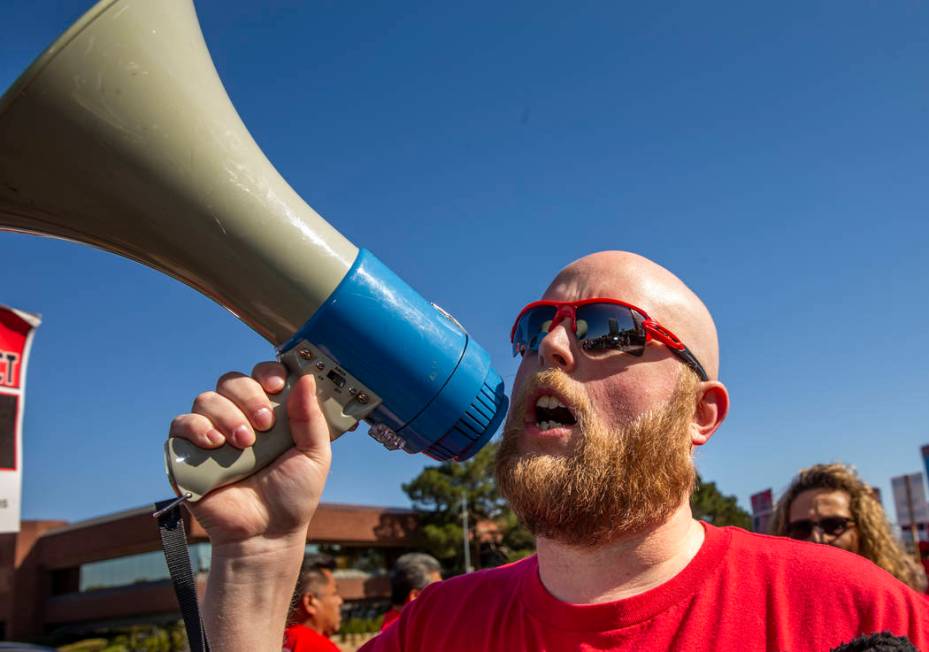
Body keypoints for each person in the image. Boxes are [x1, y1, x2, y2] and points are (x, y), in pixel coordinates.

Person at [169, 251, 929, 651]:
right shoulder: (438, 627)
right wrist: (259, 556)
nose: (552, 348)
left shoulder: (853, 610)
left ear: (701, 414)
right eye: (535, 330)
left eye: (605, 329)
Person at [769, 463, 928, 592]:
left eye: (834, 525)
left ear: (863, 529)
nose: (817, 538)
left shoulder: (906, 605)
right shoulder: (776, 613)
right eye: (801, 528)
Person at [282, 554, 343, 652]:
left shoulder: (274, 641)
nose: (340, 601)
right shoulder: (320, 647)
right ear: (310, 602)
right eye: (334, 593)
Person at [380, 553, 442, 631]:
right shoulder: (413, 633)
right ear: (415, 596)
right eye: (437, 591)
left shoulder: (393, 627)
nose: (443, 597)